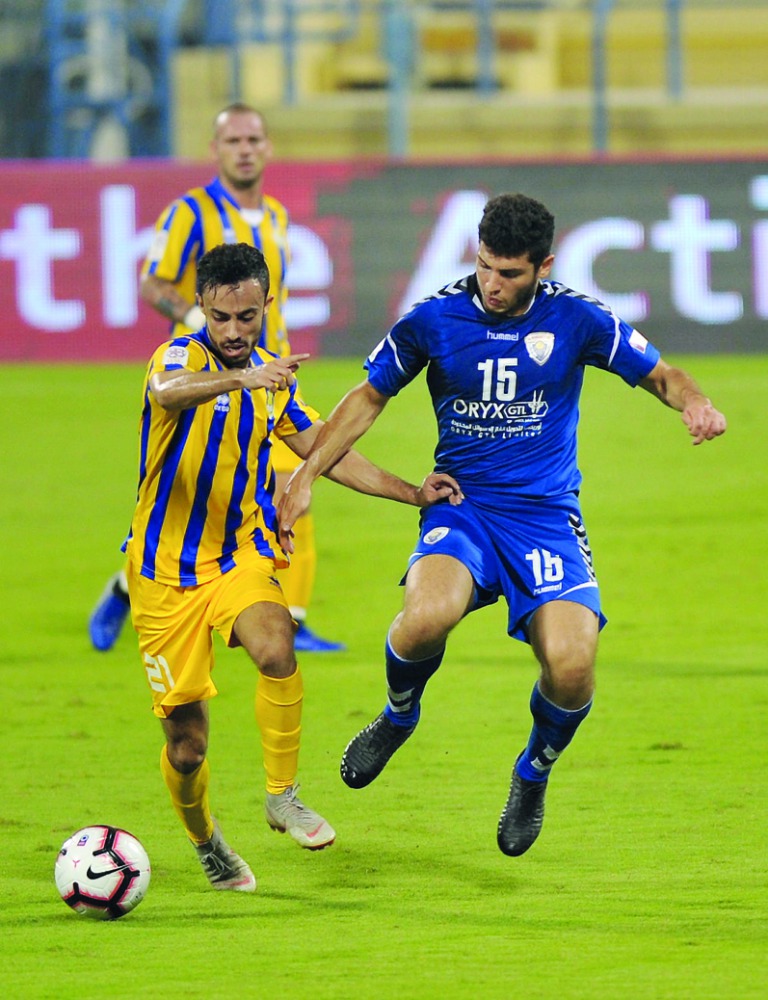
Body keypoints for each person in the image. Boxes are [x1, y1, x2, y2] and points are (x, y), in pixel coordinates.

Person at [276, 192, 727, 858]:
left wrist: (695, 404)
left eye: (510, 273)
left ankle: (532, 774)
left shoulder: (578, 319)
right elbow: (365, 399)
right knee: (426, 615)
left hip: (545, 517)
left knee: (572, 666)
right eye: (486, 266)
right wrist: (305, 477)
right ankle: (399, 716)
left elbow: (662, 375)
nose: (493, 283)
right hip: (464, 505)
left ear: (542, 266)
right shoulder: (433, 320)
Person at [124, 241, 461, 890]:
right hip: (163, 575)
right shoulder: (181, 357)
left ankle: (283, 795)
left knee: (276, 644)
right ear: (201, 308)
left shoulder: (275, 386)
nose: (232, 331)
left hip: (237, 558)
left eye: (246, 318)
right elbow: (168, 393)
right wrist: (241, 375)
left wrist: (410, 492)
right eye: (220, 318)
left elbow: (327, 451)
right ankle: (206, 839)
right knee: (187, 746)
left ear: (265, 306)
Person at [90, 102, 343, 654]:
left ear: (268, 147)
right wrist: (203, 334)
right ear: (216, 150)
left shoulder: (275, 215)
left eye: (254, 139)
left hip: (265, 375)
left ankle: (289, 616)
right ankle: (126, 586)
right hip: (213, 375)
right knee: (202, 496)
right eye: (234, 141)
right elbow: (154, 283)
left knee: (294, 481)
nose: (245, 149)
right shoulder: (189, 213)